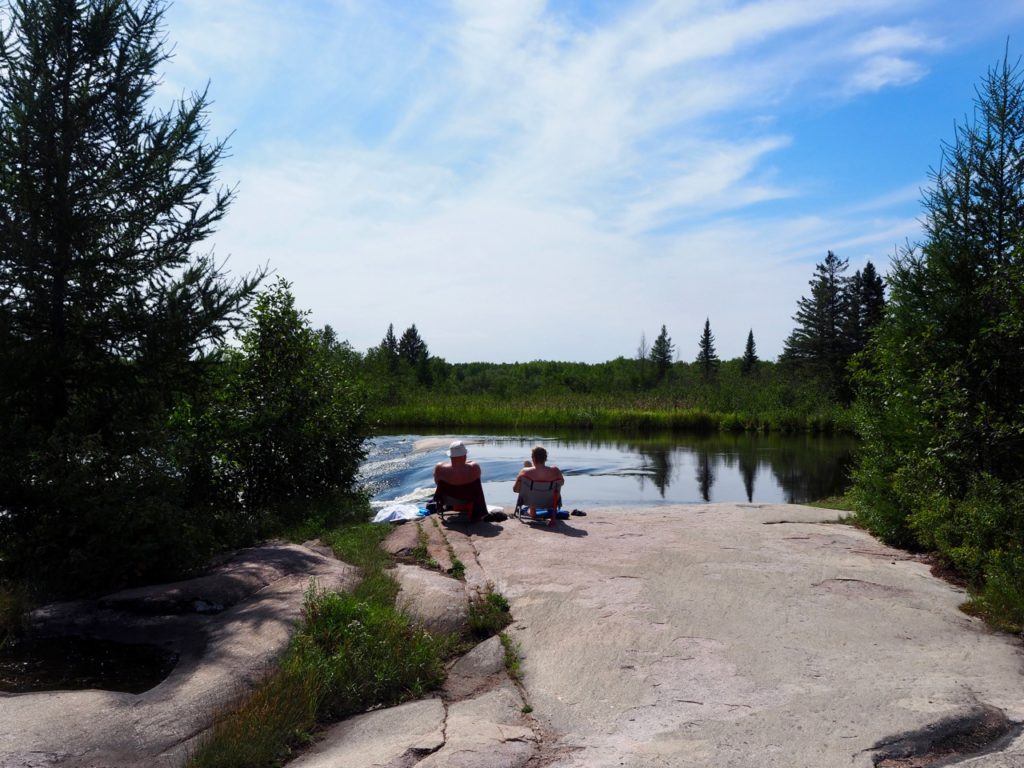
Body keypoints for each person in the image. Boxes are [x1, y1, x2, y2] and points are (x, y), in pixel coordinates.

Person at [433, 440, 487, 521]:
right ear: (465, 455)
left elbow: (437, 483)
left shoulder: (439, 468)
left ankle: (455, 506)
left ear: (450, 456)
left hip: (447, 500)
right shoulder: (474, 468)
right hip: (468, 500)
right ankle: (467, 508)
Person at [514, 445, 565, 523]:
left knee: (531, 490)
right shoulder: (555, 471)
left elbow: (515, 489)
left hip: (530, 501)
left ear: (533, 458)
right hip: (550, 502)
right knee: (554, 489)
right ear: (545, 458)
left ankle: (532, 512)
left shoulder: (524, 472)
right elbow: (562, 483)